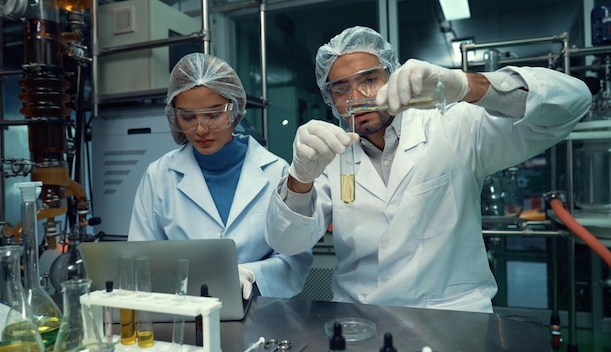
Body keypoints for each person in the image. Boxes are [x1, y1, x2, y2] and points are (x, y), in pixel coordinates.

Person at [264, 26, 592, 313]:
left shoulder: (453, 125)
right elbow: (289, 242)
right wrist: (300, 178)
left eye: (369, 80)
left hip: (451, 316)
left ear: (391, 78)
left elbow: (572, 104)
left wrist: (467, 85)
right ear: (329, 96)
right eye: (341, 88)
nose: (356, 97)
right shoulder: (329, 153)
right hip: (359, 317)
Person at [128, 52, 312, 299]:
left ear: (235, 110)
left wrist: (251, 273)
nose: (201, 129)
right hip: (185, 315)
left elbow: (295, 258)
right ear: (174, 116)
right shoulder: (159, 176)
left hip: (261, 312)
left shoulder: (275, 171)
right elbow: (140, 260)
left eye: (213, 115)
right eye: (188, 117)